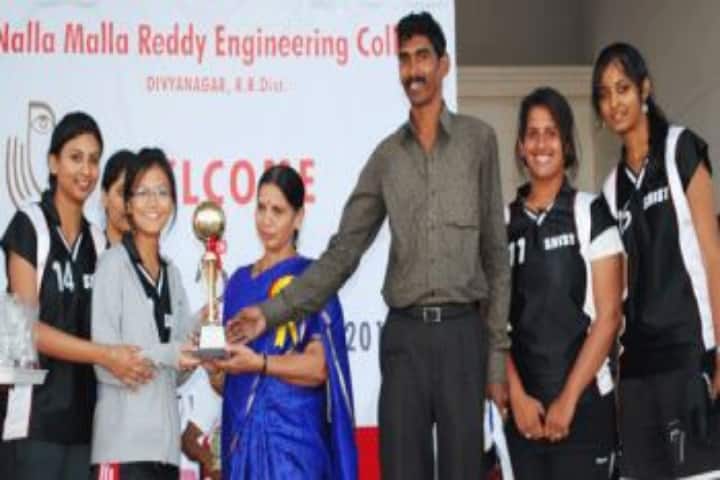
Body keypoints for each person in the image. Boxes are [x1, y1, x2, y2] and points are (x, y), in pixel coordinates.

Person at [227, 11, 510, 480]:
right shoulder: (386, 157)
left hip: (463, 335)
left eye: (422, 57)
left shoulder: (479, 142)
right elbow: (343, 252)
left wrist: (496, 360)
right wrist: (270, 313)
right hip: (405, 339)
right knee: (400, 470)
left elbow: (497, 257)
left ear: (443, 64)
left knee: (465, 470)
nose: (413, 70)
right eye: (404, 59)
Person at [0, 112, 153, 479]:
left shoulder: (98, 243)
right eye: (75, 157)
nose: (86, 170)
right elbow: (26, 331)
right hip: (32, 421)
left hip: (85, 428)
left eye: (93, 159)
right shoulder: (28, 225)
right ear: (53, 163)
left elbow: (112, 328)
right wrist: (105, 354)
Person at [594, 42, 720, 478]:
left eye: (623, 88)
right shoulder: (611, 189)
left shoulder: (680, 148)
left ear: (644, 89)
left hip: (688, 355)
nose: (614, 102)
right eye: (605, 94)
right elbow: (615, 296)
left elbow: (713, 255)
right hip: (637, 373)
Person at [504, 87, 623, 479]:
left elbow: (609, 316)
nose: (541, 144)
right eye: (532, 134)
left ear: (567, 145)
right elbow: (488, 321)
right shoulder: (502, 223)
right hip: (524, 419)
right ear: (520, 146)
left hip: (585, 411)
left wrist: (568, 400)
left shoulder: (591, 212)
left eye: (551, 133)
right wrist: (517, 398)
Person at [212, 165, 356, 479]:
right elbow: (228, 384)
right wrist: (214, 366)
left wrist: (261, 364)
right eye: (261, 208)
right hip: (243, 446)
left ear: (298, 217)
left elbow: (318, 368)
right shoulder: (237, 282)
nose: (266, 220)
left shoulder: (313, 281)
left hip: (294, 446)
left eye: (277, 211)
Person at [90, 148, 200, 479]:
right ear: (127, 204)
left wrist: (198, 341)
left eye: (162, 192)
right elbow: (105, 365)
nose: (154, 202)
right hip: (121, 450)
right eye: (142, 192)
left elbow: (175, 374)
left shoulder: (173, 275)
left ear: (173, 203)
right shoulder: (111, 266)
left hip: (165, 454)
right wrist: (169, 353)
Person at [100, 149, 134, 245]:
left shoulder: (152, 254)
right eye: (122, 193)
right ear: (104, 197)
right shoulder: (90, 252)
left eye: (135, 193)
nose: (129, 202)